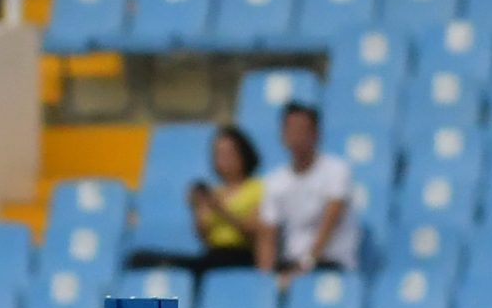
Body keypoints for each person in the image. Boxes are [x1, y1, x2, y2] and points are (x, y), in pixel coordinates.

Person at [126, 124, 263, 277]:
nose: (223, 159)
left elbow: (253, 232)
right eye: (218, 153)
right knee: (140, 258)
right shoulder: (215, 192)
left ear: (243, 153)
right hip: (213, 255)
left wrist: (221, 210)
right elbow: (204, 236)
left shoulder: (257, 188)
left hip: (240, 255)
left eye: (228, 153)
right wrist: (196, 208)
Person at [254, 101, 361, 279]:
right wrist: (265, 281)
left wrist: (303, 268)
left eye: (303, 131)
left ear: (316, 135)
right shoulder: (273, 181)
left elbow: (330, 223)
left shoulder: (337, 171)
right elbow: (267, 236)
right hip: (290, 263)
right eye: (291, 130)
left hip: (330, 265)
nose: (296, 137)